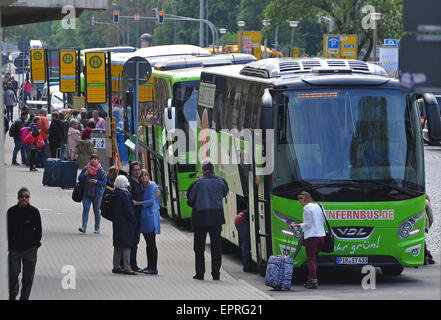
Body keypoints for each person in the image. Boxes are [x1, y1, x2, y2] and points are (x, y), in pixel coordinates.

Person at [187, 159, 229, 280]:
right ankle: (216, 274)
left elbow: (190, 200)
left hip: (200, 218)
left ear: (203, 170)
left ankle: (200, 274)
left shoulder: (197, 183)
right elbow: (224, 194)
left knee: (199, 248)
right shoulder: (221, 181)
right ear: (213, 169)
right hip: (216, 218)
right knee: (216, 247)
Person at [7, 187, 42, 300]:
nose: (24, 198)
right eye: (21, 196)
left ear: (29, 198)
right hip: (14, 250)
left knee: (28, 278)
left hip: (30, 250)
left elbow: (39, 230)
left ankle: (24, 298)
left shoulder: (34, 212)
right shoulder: (11, 211)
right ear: (18, 198)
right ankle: (13, 294)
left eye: (26, 196)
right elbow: (7, 229)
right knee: (13, 275)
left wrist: (36, 245)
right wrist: (10, 246)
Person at [290, 191, 326, 289]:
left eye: (300, 199)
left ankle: (314, 281)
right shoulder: (319, 206)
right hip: (321, 236)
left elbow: (308, 224)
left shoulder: (306, 208)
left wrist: (296, 225)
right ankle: (309, 280)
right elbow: (323, 220)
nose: (300, 202)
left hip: (312, 237)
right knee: (314, 259)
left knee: (310, 259)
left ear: (305, 198)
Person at [134, 169, 161, 275]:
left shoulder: (152, 186)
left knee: (151, 243)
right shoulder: (143, 187)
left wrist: (138, 203)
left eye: (146, 175)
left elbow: (151, 201)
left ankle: (153, 267)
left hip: (150, 217)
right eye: (142, 176)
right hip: (145, 217)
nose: (144, 177)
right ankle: (150, 266)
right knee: (148, 243)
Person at [111, 175, 138, 275]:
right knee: (127, 244)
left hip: (117, 222)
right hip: (125, 222)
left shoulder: (115, 193)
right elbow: (128, 210)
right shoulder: (125, 194)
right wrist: (134, 220)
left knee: (117, 244)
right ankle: (127, 266)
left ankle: (116, 266)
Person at [77, 154, 107, 234]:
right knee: (86, 209)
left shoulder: (101, 171)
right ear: (90, 160)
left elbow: (104, 183)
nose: (93, 160)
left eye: (95, 159)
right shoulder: (86, 169)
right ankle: (84, 227)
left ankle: (97, 227)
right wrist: (85, 174)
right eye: (92, 159)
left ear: (98, 161)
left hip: (97, 195)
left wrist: (96, 181)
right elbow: (79, 179)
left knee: (96, 211)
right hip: (86, 194)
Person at [127, 161, 144, 272]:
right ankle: (131, 264)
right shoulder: (130, 183)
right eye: (135, 170)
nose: (138, 172)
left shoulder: (142, 181)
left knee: (136, 241)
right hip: (133, 216)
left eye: (139, 169)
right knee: (132, 241)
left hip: (140, 215)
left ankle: (132, 264)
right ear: (131, 171)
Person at [424, 194, 435, 265]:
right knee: (422, 241)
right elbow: (431, 218)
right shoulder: (426, 202)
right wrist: (428, 227)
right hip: (423, 225)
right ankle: (426, 258)